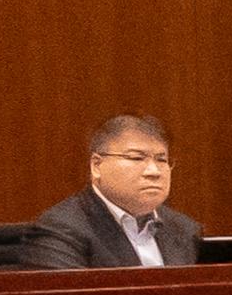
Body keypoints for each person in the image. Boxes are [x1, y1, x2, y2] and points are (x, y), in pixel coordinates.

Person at [19, 113, 201, 268]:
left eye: (162, 160)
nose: (154, 172)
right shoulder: (59, 231)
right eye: (137, 158)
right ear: (97, 165)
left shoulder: (184, 229)